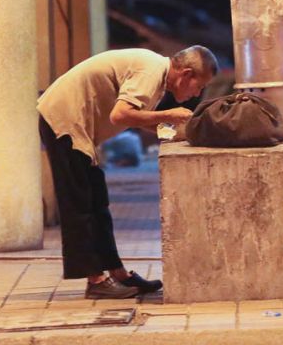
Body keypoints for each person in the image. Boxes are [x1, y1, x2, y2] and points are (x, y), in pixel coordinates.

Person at [37, 45, 219, 299]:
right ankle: (96, 280)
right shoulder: (151, 71)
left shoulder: (156, 76)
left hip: (77, 126)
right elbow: (120, 115)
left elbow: (138, 119)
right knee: (80, 202)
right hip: (63, 120)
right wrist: (169, 114)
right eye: (199, 86)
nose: (196, 93)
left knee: (98, 200)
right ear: (186, 74)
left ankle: (118, 272)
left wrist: (179, 133)